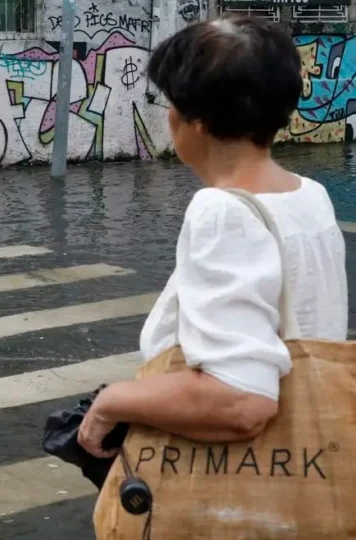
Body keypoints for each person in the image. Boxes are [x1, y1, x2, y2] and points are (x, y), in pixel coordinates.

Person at [77, 15, 348, 458]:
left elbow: (241, 402)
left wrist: (113, 401)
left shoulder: (223, 211)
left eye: (170, 104)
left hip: (245, 473)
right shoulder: (310, 195)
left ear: (196, 122)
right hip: (311, 450)